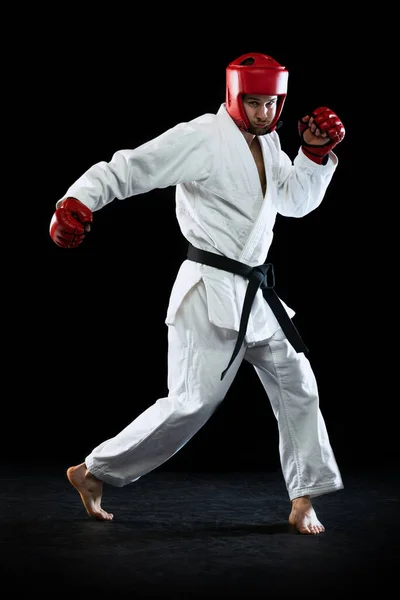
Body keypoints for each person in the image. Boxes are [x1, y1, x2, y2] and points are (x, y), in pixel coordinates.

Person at [50, 51, 346, 535]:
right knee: (191, 403)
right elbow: (130, 167)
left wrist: (310, 156)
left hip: (255, 297)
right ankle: (93, 472)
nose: (265, 113)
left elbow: (292, 202)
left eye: (272, 103)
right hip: (207, 292)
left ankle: (303, 497)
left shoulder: (269, 144)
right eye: (254, 103)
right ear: (234, 96)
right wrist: (77, 199)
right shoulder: (203, 138)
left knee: (299, 384)